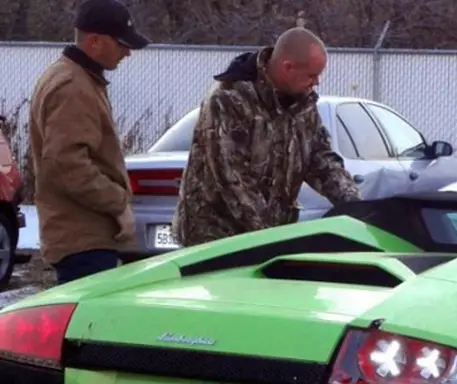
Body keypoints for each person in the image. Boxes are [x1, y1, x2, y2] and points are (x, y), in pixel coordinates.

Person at [172, 27, 361, 247]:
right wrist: (272, 238)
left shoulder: (302, 105)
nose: (316, 82)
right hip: (215, 237)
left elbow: (321, 161)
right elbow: (234, 180)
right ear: (287, 68)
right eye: (311, 75)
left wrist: (355, 208)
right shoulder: (229, 99)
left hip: (266, 237)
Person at [28, 0, 151, 284]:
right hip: (83, 241)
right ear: (95, 42)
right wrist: (118, 202)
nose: (127, 53)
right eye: (121, 44)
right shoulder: (73, 86)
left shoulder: (76, 78)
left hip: (84, 238)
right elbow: (67, 165)